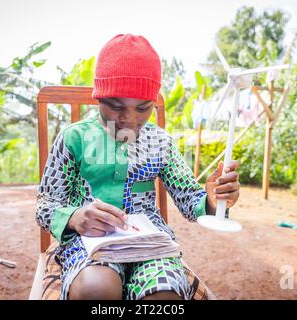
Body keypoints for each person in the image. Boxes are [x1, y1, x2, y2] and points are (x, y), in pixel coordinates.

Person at [36, 34, 240, 300]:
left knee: (164, 295)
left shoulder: (161, 143)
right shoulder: (74, 138)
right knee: (96, 289)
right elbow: (45, 205)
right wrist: (75, 218)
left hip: (150, 245)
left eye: (143, 109)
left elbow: (191, 201)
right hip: (89, 243)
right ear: (99, 98)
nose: (129, 120)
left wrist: (212, 201)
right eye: (116, 106)